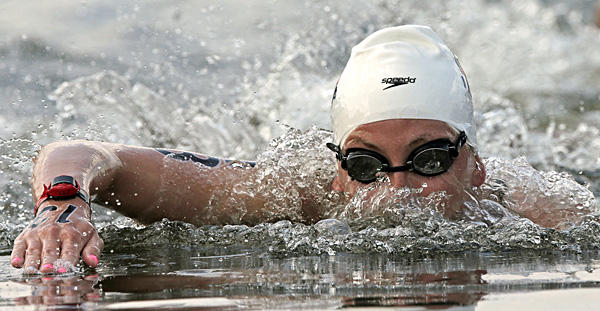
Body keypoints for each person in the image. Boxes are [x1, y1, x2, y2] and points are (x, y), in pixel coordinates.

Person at [10, 25, 489, 274]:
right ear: (339, 172)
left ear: (475, 169)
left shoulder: (543, 214)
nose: (396, 190)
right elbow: (82, 150)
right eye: (366, 165)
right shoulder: (286, 197)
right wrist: (62, 202)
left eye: (430, 160)